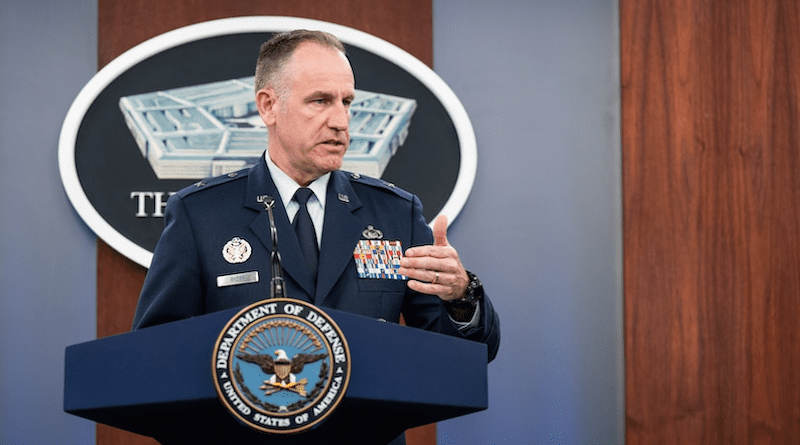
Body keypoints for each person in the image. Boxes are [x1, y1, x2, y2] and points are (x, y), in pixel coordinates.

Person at [131, 29, 500, 444]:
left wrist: (461, 296)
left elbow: (460, 358)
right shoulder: (201, 214)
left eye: (347, 102)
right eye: (320, 101)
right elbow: (155, 361)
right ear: (268, 106)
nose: (341, 121)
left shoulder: (395, 213)